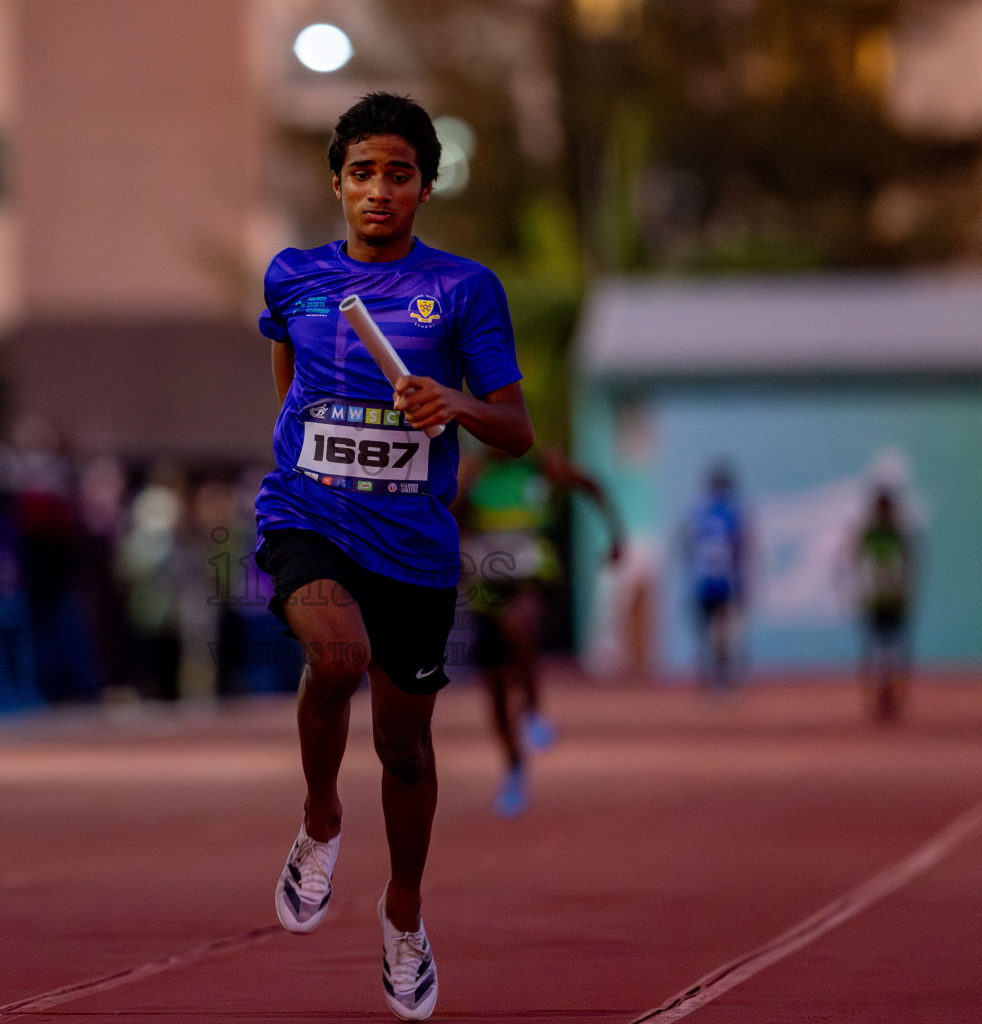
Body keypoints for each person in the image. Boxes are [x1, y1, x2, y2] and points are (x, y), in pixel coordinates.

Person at [254, 93, 532, 1021]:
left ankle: (403, 910)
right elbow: (289, 384)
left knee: (405, 746)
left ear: (424, 186)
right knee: (335, 656)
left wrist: (454, 405)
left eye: (400, 174)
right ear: (337, 181)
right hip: (308, 513)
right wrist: (307, 455)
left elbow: (518, 430)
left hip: (411, 543)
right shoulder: (293, 276)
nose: (380, 190)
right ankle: (321, 818)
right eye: (363, 172)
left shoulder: (463, 290)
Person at [457, 445, 623, 818]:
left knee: (521, 623)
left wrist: (615, 534)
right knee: (496, 688)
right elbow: (449, 517)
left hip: (533, 573)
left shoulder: (540, 467)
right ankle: (514, 766)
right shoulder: (471, 472)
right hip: (486, 580)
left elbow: (590, 484)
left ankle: (532, 711)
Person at [681, 464, 749, 692]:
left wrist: (692, 565)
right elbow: (740, 547)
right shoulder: (732, 512)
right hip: (724, 581)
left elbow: (687, 541)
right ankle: (721, 678)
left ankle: (708, 677)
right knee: (722, 632)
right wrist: (742, 582)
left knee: (705, 632)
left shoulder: (699, 511)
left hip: (703, 580)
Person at [851, 488, 916, 722]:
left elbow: (909, 565)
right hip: (875, 600)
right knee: (875, 649)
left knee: (893, 649)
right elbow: (855, 560)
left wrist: (906, 591)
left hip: (893, 600)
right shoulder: (869, 535)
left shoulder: (898, 535)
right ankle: (875, 697)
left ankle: (893, 694)